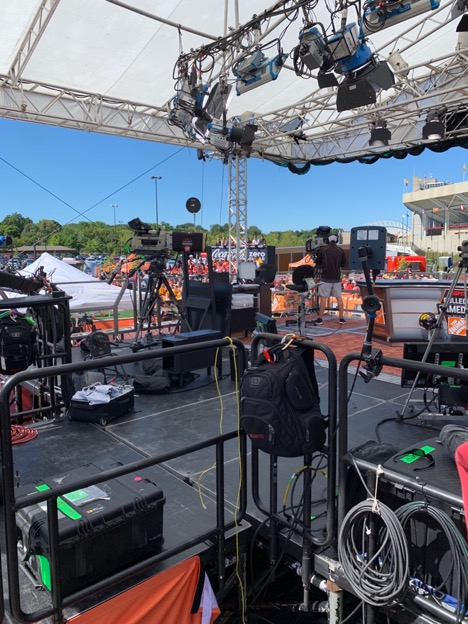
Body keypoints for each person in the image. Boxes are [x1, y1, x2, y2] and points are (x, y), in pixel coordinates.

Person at [314, 234, 346, 325]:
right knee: (339, 298)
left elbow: (318, 262)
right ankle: (341, 318)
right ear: (336, 241)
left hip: (325, 278)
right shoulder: (341, 250)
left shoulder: (323, 250)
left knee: (323, 298)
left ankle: (320, 319)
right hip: (336, 278)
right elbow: (343, 264)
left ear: (328, 240)